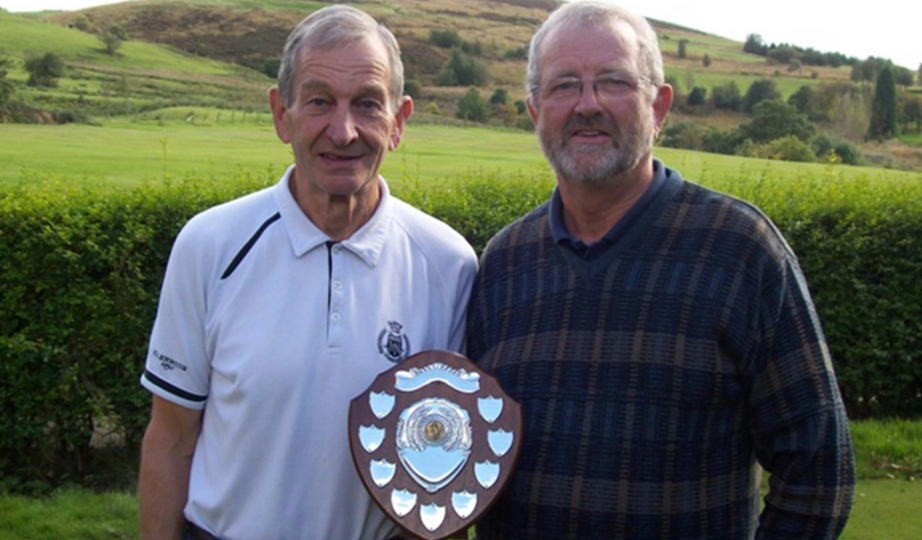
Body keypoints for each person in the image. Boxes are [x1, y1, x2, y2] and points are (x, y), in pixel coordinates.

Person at [465, 2, 855, 539]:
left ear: (660, 105)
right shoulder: (505, 261)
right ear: (535, 111)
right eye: (563, 86)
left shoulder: (741, 249)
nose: (588, 104)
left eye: (614, 81)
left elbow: (818, 469)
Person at [137, 6, 477, 539]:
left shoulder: (449, 263)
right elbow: (171, 440)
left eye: (367, 104)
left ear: (399, 121)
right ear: (281, 114)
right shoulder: (209, 245)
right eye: (319, 101)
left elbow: (444, 464)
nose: (342, 132)